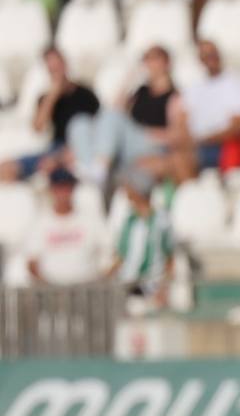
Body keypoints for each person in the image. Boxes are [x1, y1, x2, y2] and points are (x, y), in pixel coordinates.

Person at [67, 46, 183, 189]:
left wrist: (146, 132)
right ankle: (91, 167)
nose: (149, 64)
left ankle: (98, 167)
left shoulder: (174, 96)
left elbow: (176, 135)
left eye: (154, 58)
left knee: (112, 118)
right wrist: (129, 81)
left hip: (150, 143)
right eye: (146, 59)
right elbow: (114, 109)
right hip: (129, 141)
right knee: (80, 122)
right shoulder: (141, 92)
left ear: (166, 63)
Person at [0, 49, 100, 182]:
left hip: (81, 149)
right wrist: (53, 94)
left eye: (58, 66)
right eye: (52, 69)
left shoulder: (85, 94)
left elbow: (99, 128)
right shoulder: (45, 97)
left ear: (65, 65)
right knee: (6, 169)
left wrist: (66, 154)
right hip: (54, 149)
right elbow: (38, 127)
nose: (56, 72)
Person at [180, 41, 240, 175]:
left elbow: (237, 126)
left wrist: (205, 140)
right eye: (206, 55)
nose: (211, 58)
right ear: (200, 59)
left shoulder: (233, 83)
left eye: (213, 54)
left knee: (181, 162)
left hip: (221, 146)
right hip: (197, 145)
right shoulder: (194, 87)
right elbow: (183, 121)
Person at [23, 168, 109, 286]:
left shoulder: (91, 218)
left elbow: (110, 251)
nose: (64, 192)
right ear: (51, 190)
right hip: (52, 290)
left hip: (87, 288)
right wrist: (48, 285)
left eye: (68, 187)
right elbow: (32, 261)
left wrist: (100, 279)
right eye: (59, 188)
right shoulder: (40, 222)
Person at [107, 168, 175, 307]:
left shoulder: (162, 219)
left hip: (152, 288)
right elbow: (121, 256)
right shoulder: (128, 220)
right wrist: (106, 277)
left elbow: (170, 258)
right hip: (127, 287)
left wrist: (164, 289)